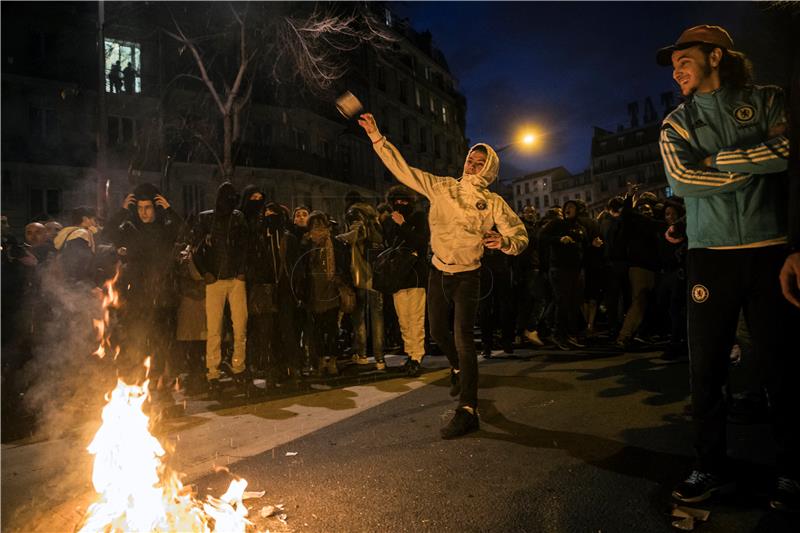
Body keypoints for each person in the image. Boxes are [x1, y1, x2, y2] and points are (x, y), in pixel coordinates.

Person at [656, 24, 798, 511]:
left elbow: (789, 151)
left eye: (684, 59)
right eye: (673, 64)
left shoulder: (768, 99)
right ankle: (709, 464)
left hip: (771, 249)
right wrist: (751, 166)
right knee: (707, 368)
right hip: (710, 254)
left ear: (716, 56)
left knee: (782, 363)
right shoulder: (676, 121)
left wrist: (718, 160)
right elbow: (681, 179)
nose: (677, 70)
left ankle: (792, 470)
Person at [358, 113, 528, 439]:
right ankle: (458, 369)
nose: (472, 165)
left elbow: (520, 238)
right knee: (437, 330)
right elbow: (403, 170)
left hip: (468, 276)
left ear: (490, 169)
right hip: (438, 271)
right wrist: (377, 137)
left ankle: (468, 409)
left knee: (463, 338)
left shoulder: (492, 202)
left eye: (480, 163)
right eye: (470, 159)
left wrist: (502, 241)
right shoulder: (442, 187)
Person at [103, 183, 184, 397]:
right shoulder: (130, 229)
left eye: (148, 207)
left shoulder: (164, 229)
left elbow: (183, 231)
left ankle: (161, 386)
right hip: (137, 297)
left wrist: (169, 210)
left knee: (161, 344)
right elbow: (107, 233)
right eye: (140, 208)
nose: (144, 212)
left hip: (162, 297)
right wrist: (122, 211)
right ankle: (138, 387)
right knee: (137, 341)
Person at [191, 182, 249, 397]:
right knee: (218, 329)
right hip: (218, 278)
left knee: (237, 327)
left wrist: (241, 271)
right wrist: (205, 271)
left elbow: (244, 246)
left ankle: (234, 367)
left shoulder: (235, 217)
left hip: (231, 278)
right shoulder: (208, 218)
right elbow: (196, 248)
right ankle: (215, 371)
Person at [380, 185, 430, 376]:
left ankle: (416, 355)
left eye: (404, 201)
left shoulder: (418, 218)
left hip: (416, 274)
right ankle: (410, 352)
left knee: (415, 317)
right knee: (403, 318)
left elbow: (420, 241)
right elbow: (390, 244)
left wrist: (403, 225)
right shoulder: (389, 221)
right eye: (397, 201)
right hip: (398, 275)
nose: (401, 204)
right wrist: (394, 224)